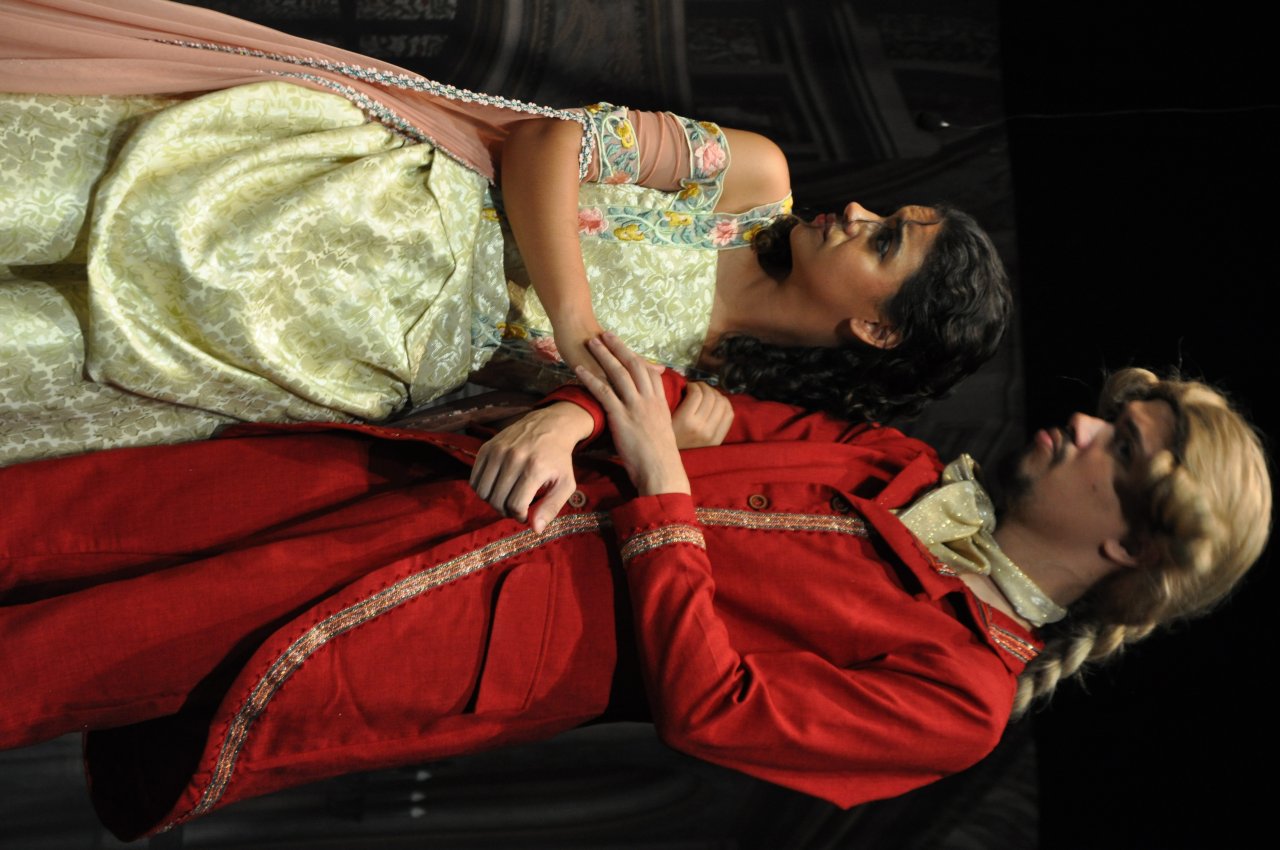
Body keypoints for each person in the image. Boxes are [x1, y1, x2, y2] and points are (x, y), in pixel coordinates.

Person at [0, 333, 1267, 840]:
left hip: (450, 627)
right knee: (75, 513)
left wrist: (658, 490)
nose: (1082, 427)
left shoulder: (961, 696)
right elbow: (690, 404)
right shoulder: (898, 463)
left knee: (80, 653)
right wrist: (570, 418)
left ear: (1131, 550)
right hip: (441, 486)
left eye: (1119, 448)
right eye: (1111, 416)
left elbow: (718, 706)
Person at [0, 0, 1009, 466]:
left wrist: (585, 419)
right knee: (49, 196)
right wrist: (575, 322)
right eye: (885, 215)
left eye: (883, 242)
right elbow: (548, 141)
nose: (856, 213)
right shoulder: (751, 183)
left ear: (876, 329)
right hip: (355, 202)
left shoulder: (710, 398)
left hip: (338, 352)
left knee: (41, 347)